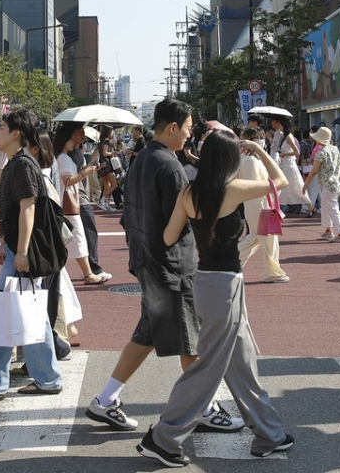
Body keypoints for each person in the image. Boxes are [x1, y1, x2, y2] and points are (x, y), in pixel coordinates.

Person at [85, 98, 241, 433]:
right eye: (186, 129)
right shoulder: (169, 166)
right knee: (189, 337)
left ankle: (106, 399)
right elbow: (181, 218)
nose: (189, 135)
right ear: (172, 127)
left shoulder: (143, 157)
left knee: (148, 333)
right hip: (169, 264)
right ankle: (204, 407)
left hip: (145, 259)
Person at [138, 130, 292, 466]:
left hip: (205, 281)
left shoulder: (188, 193)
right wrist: (259, 150)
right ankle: (162, 438)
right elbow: (279, 181)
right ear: (230, 159)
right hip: (225, 286)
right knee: (208, 367)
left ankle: (270, 433)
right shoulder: (232, 189)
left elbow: (167, 236)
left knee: (242, 360)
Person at [0, 110, 64, 402]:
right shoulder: (16, 163)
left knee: (0, 315)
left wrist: (20, 251)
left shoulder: (20, 164)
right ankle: (47, 378)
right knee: (29, 315)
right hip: (16, 250)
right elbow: (10, 211)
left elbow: (28, 208)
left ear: (16, 134)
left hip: (22, 252)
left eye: (2, 127)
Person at [52, 123, 108, 285]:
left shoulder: (63, 157)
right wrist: (85, 173)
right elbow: (68, 181)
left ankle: (86, 272)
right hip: (70, 202)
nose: (73, 142)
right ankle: (88, 273)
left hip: (68, 202)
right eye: (71, 139)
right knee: (78, 238)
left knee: (69, 239)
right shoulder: (64, 158)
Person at [237, 128, 289, 283]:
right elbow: (256, 185)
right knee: (267, 239)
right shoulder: (251, 160)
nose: (262, 140)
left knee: (255, 238)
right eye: (257, 138)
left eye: (261, 137)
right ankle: (273, 272)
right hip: (258, 203)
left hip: (257, 202)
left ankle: (229, 263)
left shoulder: (250, 159)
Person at [303, 127, 340, 243]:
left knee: (332, 207)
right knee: (326, 205)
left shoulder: (320, 153)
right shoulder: (334, 149)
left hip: (328, 184)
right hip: (338, 182)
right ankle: (328, 230)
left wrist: (306, 184)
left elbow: (314, 170)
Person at [269, 116, 307, 216]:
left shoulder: (289, 137)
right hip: (285, 163)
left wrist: (284, 154)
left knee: (294, 186)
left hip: (289, 164)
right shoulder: (283, 136)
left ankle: (308, 206)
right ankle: (279, 207)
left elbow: (296, 152)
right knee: (287, 187)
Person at [97, 125, 122, 211]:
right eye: (111, 132)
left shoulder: (103, 141)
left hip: (104, 166)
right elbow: (105, 153)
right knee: (114, 185)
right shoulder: (106, 142)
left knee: (107, 186)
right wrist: (113, 152)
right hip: (107, 166)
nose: (112, 133)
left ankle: (106, 204)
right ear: (108, 132)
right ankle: (101, 201)